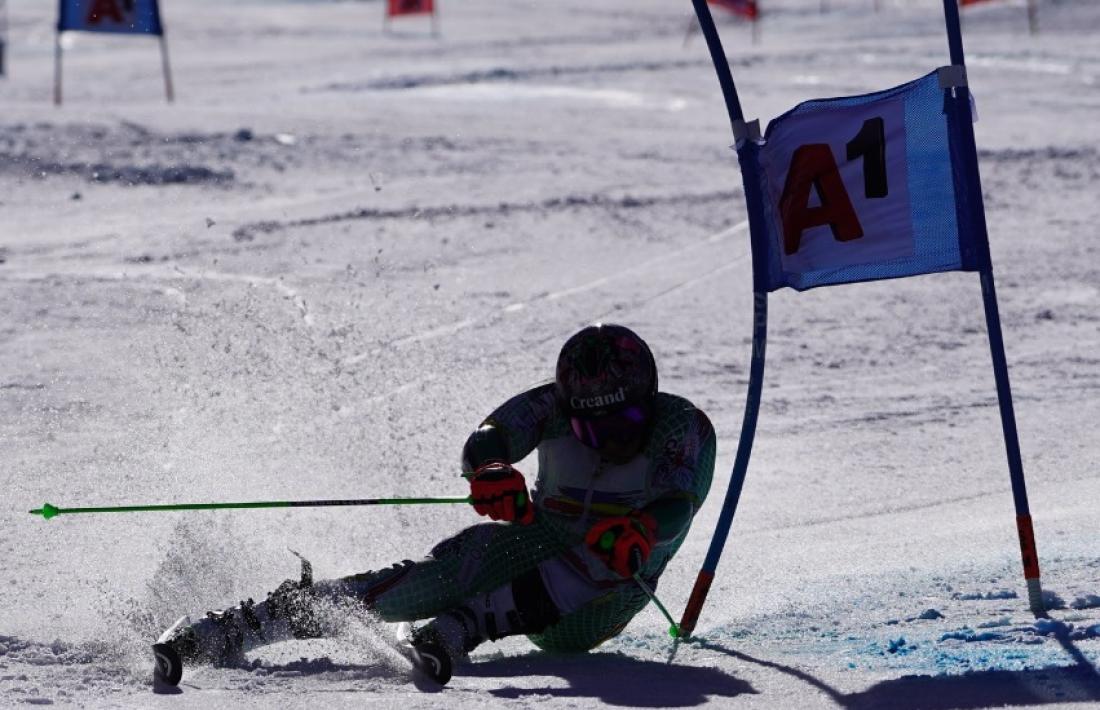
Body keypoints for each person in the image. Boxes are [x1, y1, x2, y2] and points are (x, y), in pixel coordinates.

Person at [153, 323, 716, 687]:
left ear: (649, 400)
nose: (609, 441)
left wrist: (643, 526)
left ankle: (467, 622)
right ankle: (243, 624)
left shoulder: (680, 426)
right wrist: (490, 468)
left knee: (603, 555)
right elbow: (492, 434)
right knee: (435, 576)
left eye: (625, 424)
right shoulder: (548, 405)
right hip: (539, 538)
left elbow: (678, 503)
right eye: (588, 430)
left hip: (608, 592)